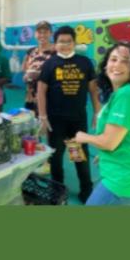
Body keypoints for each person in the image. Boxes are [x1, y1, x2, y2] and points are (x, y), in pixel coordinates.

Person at [74, 41, 130, 206]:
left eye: (125, 61)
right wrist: (103, 155)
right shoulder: (125, 92)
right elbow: (124, 137)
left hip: (124, 185)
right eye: (113, 59)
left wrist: (84, 137)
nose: (117, 64)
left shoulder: (127, 96)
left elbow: (110, 142)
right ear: (105, 65)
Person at [36, 26, 101, 204]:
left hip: (77, 121)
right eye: (61, 42)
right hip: (55, 122)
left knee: (78, 156)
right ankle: (57, 191)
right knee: (56, 158)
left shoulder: (84, 63)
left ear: (74, 43)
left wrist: (97, 112)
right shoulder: (49, 64)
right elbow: (41, 91)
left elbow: (93, 90)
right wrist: (42, 117)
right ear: (55, 44)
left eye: (68, 41)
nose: (65, 45)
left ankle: (86, 191)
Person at [21, 21, 54, 118]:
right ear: (35, 34)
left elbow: (59, 74)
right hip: (30, 96)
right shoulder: (30, 52)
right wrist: (26, 75)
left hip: (48, 97)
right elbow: (24, 69)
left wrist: (40, 75)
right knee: (32, 128)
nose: (42, 35)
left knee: (49, 127)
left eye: (45, 32)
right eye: (39, 32)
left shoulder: (55, 52)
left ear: (51, 34)